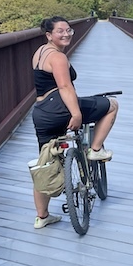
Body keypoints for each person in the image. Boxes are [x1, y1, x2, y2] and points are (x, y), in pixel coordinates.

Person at [30, 16, 119, 229]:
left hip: (41, 112)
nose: (66, 34)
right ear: (49, 35)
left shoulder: (40, 52)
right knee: (111, 105)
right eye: (60, 31)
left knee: (45, 163)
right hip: (60, 108)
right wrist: (76, 114)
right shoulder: (58, 58)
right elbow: (65, 87)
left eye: (69, 30)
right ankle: (95, 149)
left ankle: (42, 217)